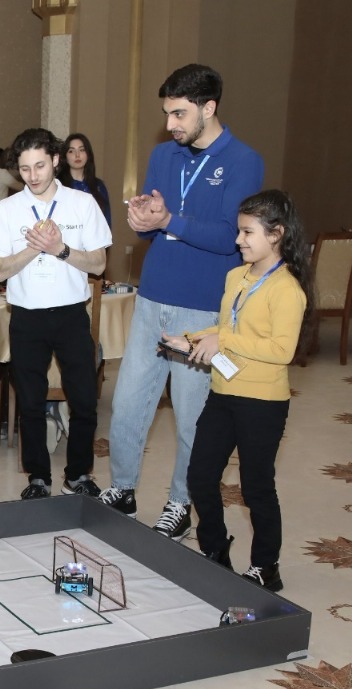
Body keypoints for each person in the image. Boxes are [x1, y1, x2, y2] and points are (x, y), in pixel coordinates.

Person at [99, 64, 264, 540]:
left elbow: (230, 238)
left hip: (203, 307)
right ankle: (123, 489)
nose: (171, 124)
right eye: (168, 113)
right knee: (129, 404)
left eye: (179, 113)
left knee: (193, 417)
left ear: (208, 108)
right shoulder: (163, 155)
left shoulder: (243, 161)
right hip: (153, 296)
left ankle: (181, 501)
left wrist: (170, 220)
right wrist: (144, 220)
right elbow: (154, 225)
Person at [163, 190, 312, 592]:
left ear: (276, 234)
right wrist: (191, 338)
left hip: (262, 402)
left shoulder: (286, 289)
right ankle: (215, 550)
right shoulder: (235, 276)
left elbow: (281, 350)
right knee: (200, 475)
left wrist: (223, 343)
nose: (238, 240)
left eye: (248, 232)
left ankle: (267, 566)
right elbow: (229, 327)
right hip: (223, 392)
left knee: (256, 485)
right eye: (239, 231)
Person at [0, 128, 112, 500]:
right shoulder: (8, 211)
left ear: (56, 160)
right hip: (27, 317)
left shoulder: (82, 204)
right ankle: (38, 477)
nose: (33, 175)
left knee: (85, 399)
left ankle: (78, 475)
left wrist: (60, 249)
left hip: (72, 315)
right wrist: (34, 248)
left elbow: (101, 264)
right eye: (25, 169)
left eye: (40, 165)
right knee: (31, 401)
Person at [57, 133, 112, 227]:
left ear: (88, 154)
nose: (77, 155)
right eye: (71, 151)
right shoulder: (58, 186)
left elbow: (106, 223)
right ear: (65, 157)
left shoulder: (99, 186)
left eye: (82, 150)